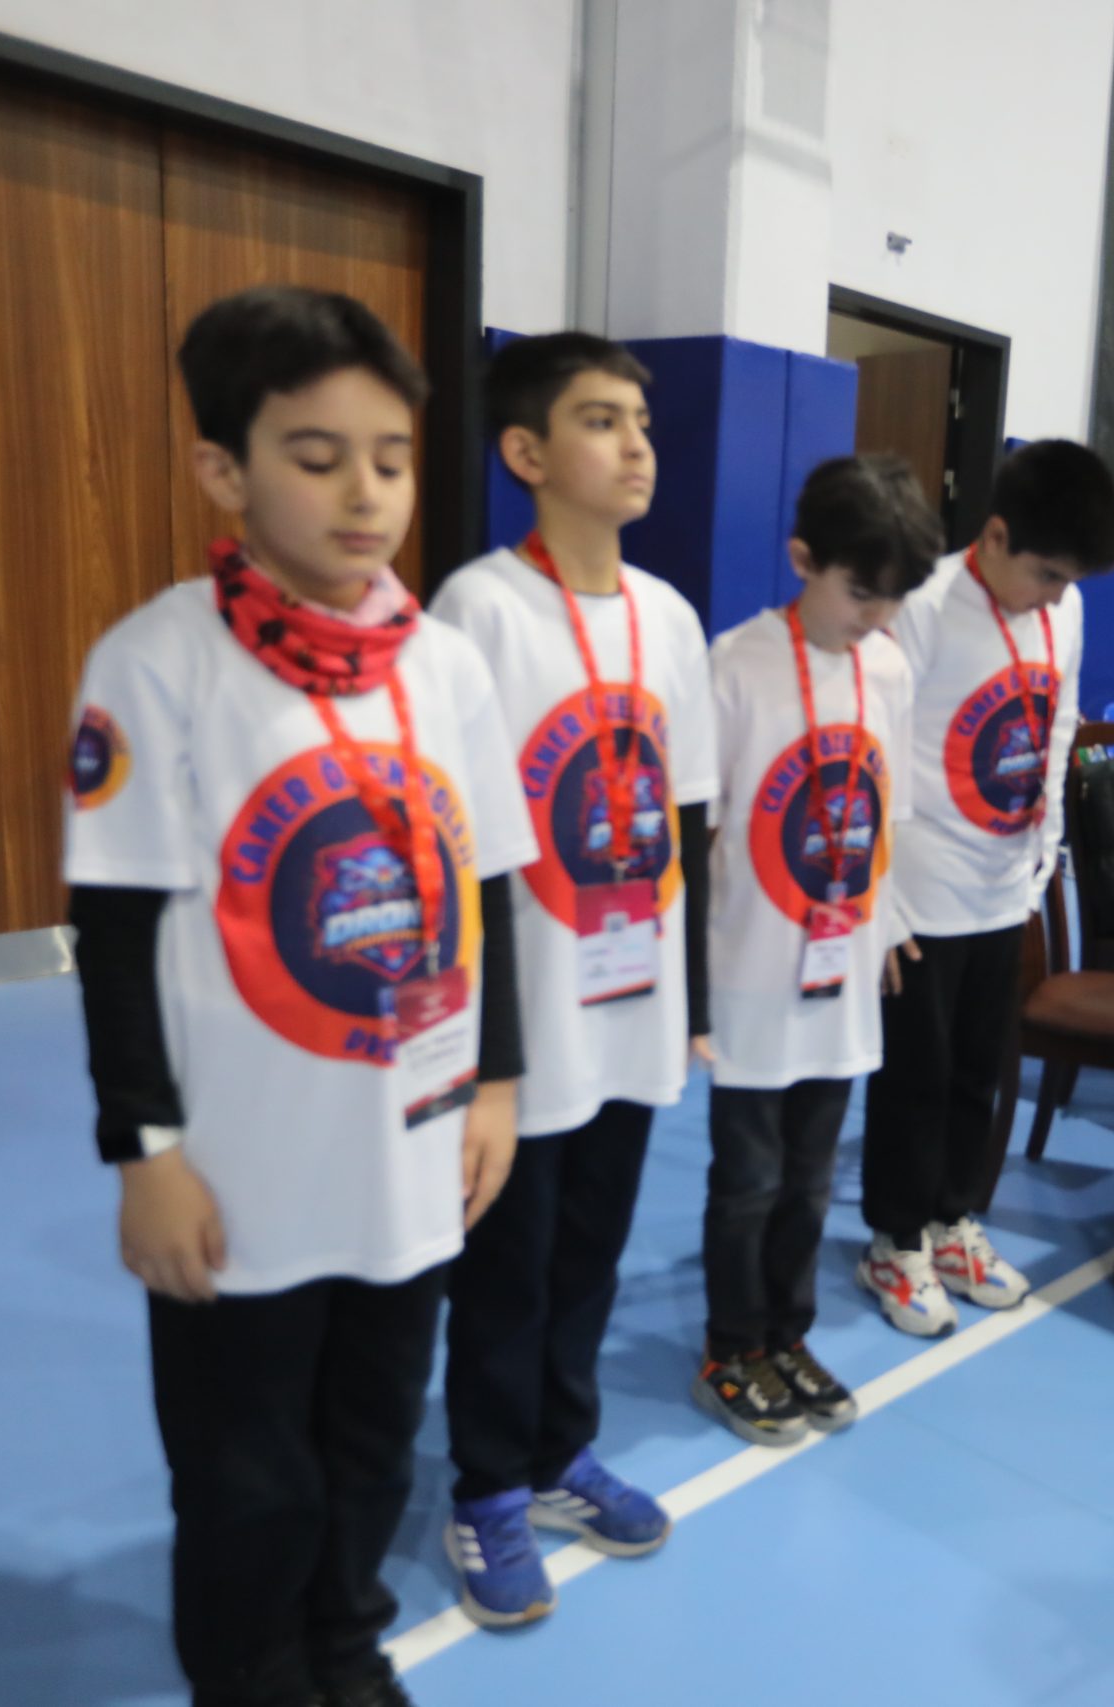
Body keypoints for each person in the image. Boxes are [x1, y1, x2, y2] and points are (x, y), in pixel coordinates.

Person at [64, 286, 539, 1707]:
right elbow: (114, 932)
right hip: (240, 1168)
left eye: (390, 459)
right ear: (224, 470)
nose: (365, 493)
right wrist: (145, 1154)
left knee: (375, 1439)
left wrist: (499, 1080)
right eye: (317, 457)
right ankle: (252, 1670)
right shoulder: (155, 661)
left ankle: (345, 1643)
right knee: (244, 1468)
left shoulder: (444, 667)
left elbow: (489, 887)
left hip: (409, 1149)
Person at [426, 334, 713, 1626]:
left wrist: (690, 998)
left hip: (631, 998)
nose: (637, 443)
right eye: (601, 420)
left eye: (640, 419)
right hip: (526, 1012)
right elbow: (457, 842)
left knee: (593, 1245)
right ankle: (487, 1484)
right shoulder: (478, 610)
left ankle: (558, 1451)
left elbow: (686, 816)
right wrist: (477, 1048)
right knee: (508, 1260)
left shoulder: (669, 617)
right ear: (526, 453)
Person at [858, 441, 1114, 1340]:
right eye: (1045, 574)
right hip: (921, 887)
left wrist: (1045, 848)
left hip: (1006, 882)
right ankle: (894, 1239)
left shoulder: (1066, 605)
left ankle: (952, 1220)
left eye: (1068, 581)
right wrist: (882, 897)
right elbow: (877, 750)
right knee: (916, 1075)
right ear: (996, 535)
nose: (1054, 595)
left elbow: (1059, 719)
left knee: (981, 1068)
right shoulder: (923, 606)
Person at [695, 455, 934, 1445]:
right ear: (802, 559)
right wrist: (690, 989)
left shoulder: (890, 667)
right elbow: (702, 829)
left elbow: (885, 810)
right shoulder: (736, 663)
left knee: (810, 1178)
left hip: (842, 975)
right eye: (860, 592)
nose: (877, 616)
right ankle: (730, 1347)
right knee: (748, 1179)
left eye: (895, 598)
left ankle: (785, 1335)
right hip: (753, 973)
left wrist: (888, 922)